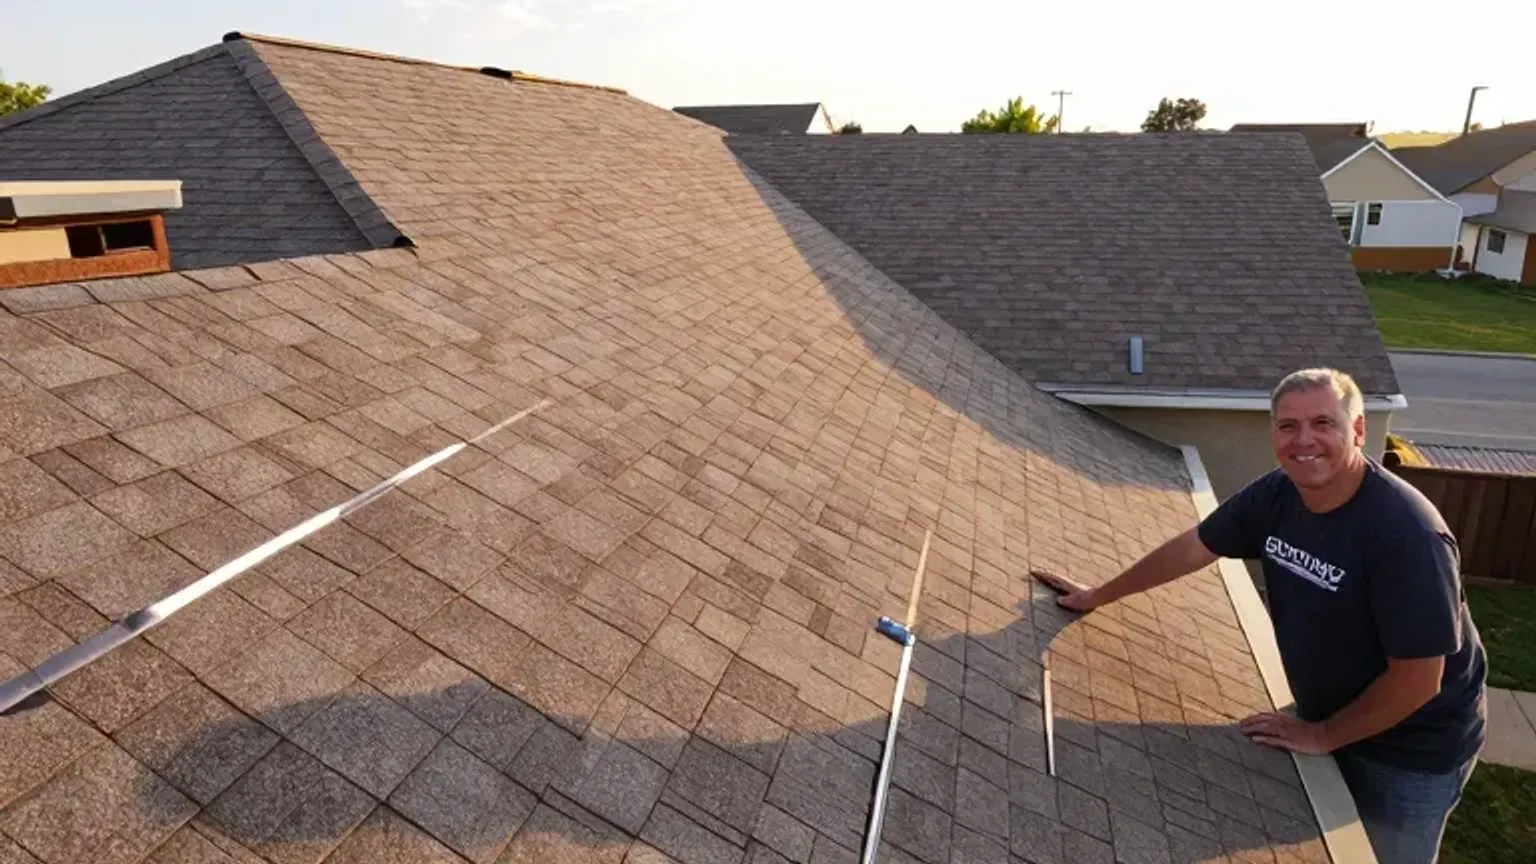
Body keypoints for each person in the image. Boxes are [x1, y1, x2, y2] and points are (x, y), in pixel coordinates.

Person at [1035, 367, 1487, 864]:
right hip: (1328, 712)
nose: (1304, 440)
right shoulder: (1276, 496)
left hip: (1410, 752)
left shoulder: (1407, 536)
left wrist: (1323, 735)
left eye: (1323, 423)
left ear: (1357, 431)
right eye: (1287, 426)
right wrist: (1098, 594)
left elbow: (1419, 680)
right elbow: (1193, 547)